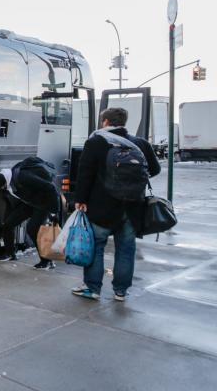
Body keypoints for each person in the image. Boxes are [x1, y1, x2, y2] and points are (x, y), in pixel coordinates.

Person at [72, 107, 160, 302]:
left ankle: (93, 288)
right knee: (126, 248)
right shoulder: (140, 143)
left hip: (101, 205)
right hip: (132, 206)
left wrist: (81, 200)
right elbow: (154, 169)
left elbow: (85, 173)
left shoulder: (96, 142)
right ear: (124, 121)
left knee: (97, 246)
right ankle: (121, 291)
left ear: (105, 122)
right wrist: (132, 182)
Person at [0, 157, 61, 269]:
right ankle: (10, 253)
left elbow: (50, 187)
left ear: (2, 184)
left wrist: (55, 211)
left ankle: (47, 261)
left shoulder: (23, 177)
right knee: (8, 224)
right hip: (31, 202)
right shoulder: (8, 180)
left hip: (43, 203)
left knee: (32, 229)